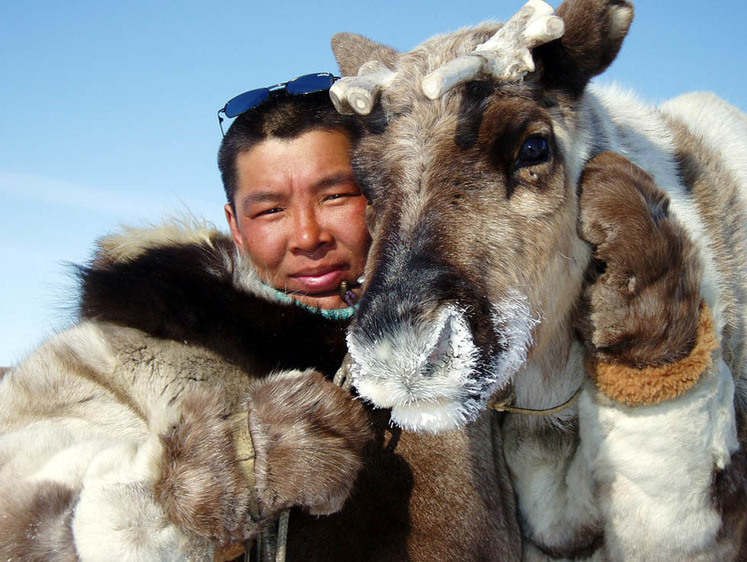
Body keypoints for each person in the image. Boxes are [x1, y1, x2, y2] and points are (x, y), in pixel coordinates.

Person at [0, 75, 522, 561]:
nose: (308, 236)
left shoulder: (466, 341)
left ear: (387, 194)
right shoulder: (119, 350)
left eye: (337, 195)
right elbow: (18, 529)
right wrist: (234, 475)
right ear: (236, 223)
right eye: (270, 210)